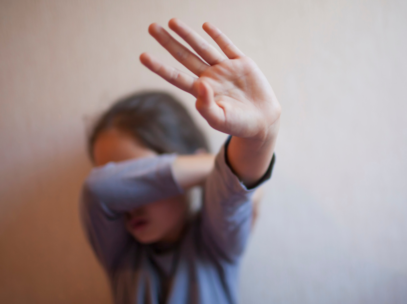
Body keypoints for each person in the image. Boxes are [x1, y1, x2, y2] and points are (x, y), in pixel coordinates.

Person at [80, 18, 281, 304]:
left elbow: (229, 198)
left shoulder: (215, 244)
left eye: (139, 176)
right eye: (123, 182)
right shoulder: (120, 256)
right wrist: (211, 166)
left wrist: (260, 134)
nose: (125, 203)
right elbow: (97, 191)